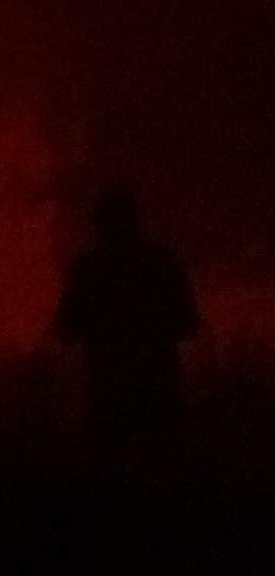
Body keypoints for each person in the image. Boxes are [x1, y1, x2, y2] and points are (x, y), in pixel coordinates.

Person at [53, 188, 199, 452]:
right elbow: (187, 324)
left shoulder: (90, 268)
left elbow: (66, 328)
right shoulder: (162, 263)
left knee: (110, 464)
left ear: (99, 225)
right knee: (160, 462)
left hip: (108, 385)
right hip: (157, 382)